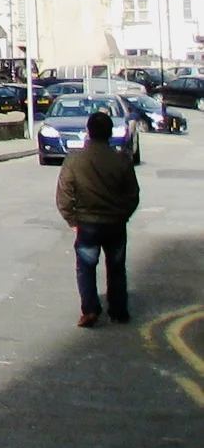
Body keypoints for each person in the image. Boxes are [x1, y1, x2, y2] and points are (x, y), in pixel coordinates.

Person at [54, 110, 140, 326]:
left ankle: (90, 309)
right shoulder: (121, 160)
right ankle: (118, 311)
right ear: (110, 132)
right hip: (115, 223)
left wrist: (72, 220)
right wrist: (123, 215)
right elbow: (133, 194)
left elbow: (64, 195)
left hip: (88, 223)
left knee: (86, 267)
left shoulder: (74, 161)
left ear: (88, 132)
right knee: (116, 267)